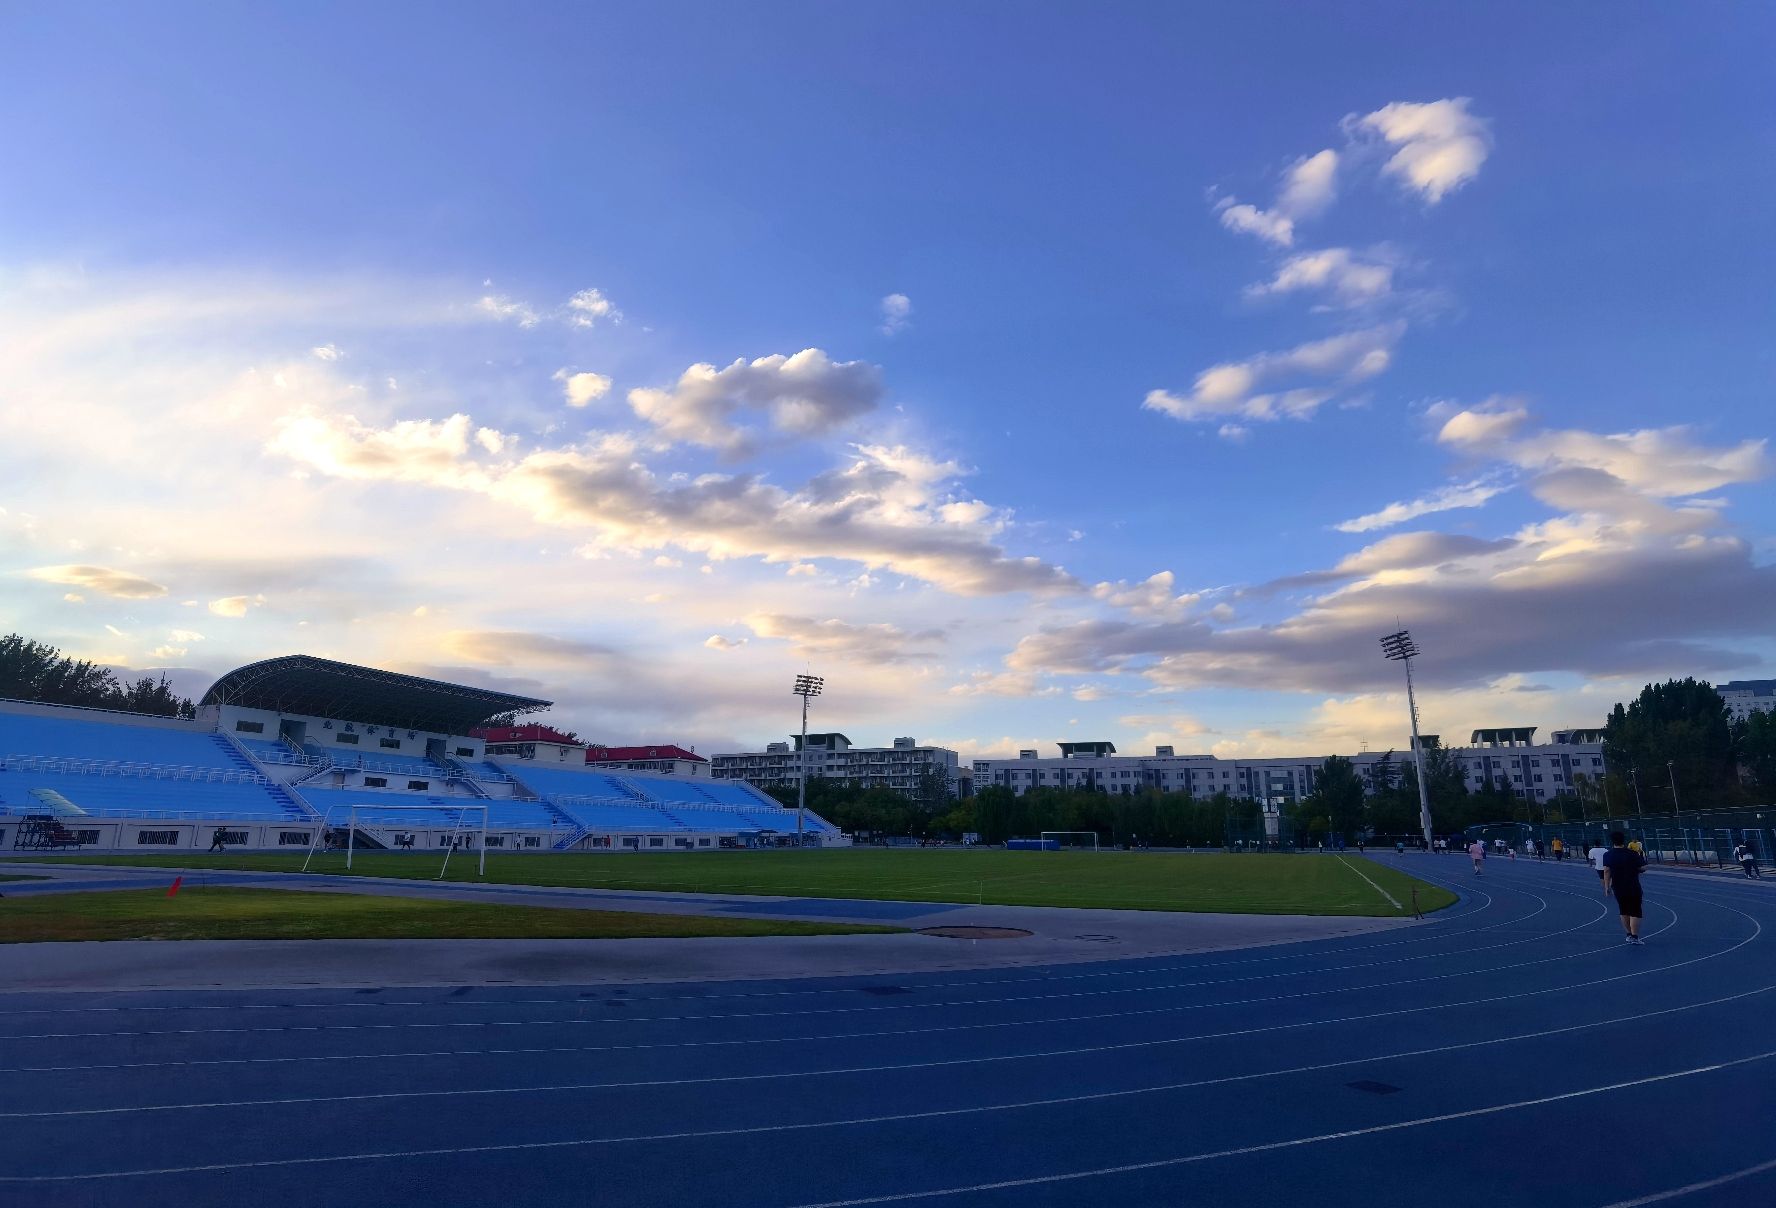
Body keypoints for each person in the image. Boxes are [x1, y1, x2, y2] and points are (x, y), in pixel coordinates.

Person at [1601, 830, 1649, 944]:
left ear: (1612, 841)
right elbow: (1643, 867)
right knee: (1635, 911)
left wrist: (1606, 887)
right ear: (1624, 840)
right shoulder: (1632, 854)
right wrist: (1635, 869)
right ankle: (1635, 936)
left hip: (1618, 886)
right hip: (1632, 885)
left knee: (1624, 910)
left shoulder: (1608, 855)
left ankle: (1628, 934)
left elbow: (1606, 871)